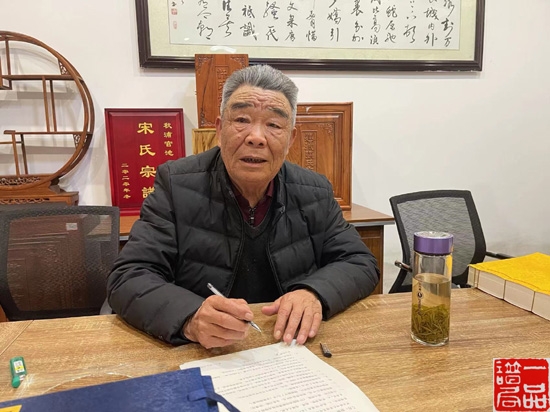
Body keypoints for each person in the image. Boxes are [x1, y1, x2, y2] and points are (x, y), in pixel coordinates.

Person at [107, 64, 379, 349]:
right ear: (219, 129)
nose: (256, 137)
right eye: (241, 120)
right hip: (204, 352)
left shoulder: (314, 191)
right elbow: (129, 277)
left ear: (291, 139)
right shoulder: (176, 185)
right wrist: (190, 317)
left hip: (288, 347)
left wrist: (313, 294)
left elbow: (359, 262)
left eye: (274, 125)